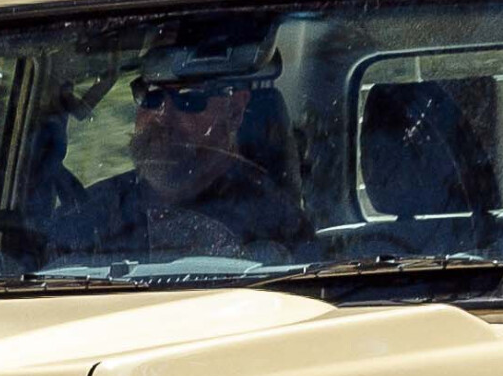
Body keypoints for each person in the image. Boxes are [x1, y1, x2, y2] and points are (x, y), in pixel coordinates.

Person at [38, 60, 314, 264]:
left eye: (188, 99)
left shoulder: (277, 224)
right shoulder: (84, 219)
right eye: (151, 96)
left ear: (235, 109)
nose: (161, 115)